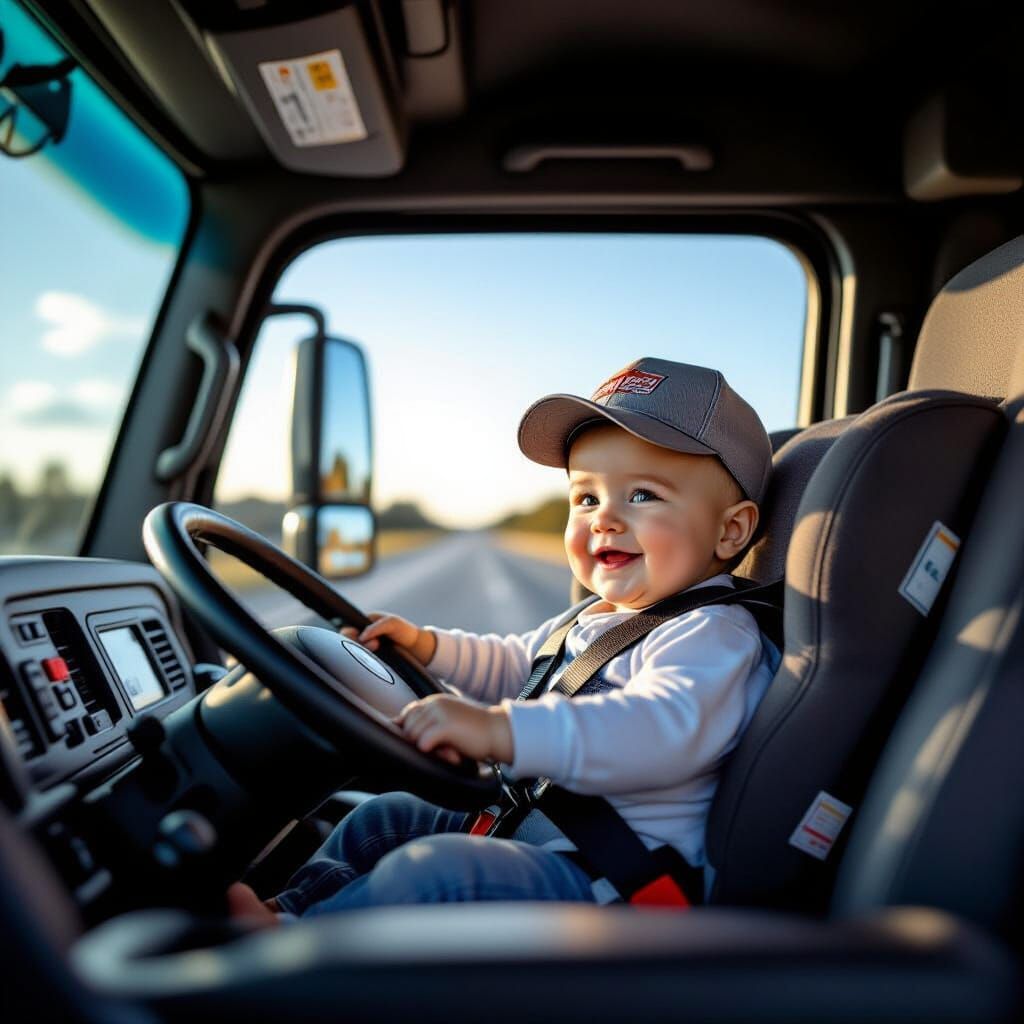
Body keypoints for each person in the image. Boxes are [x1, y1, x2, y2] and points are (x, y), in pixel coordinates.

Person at [228, 357, 779, 922]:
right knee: (385, 816)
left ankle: (295, 952)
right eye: (586, 498)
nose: (604, 520)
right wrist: (426, 646)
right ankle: (286, 912)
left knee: (435, 873)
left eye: (642, 496)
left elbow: (657, 729)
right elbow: (519, 662)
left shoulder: (713, 634)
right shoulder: (597, 619)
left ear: (729, 529)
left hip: (612, 884)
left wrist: (499, 731)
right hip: (544, 832)